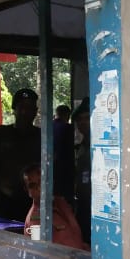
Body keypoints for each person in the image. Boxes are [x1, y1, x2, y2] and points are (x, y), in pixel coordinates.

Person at [0, 87, 41, 221]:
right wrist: (0, 184)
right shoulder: (1, 134)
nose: (25, 112)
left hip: (33, 201)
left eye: (30, 108)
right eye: (21, 107)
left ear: (35, 111)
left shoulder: (41, 136)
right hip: (5, 200)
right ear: (14, 109)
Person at [22, 163, 88, 250]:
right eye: (32, 185)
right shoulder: (34, 219)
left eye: (42, 181)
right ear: (27, 190)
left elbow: (75, 234)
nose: (39, 188)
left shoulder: (61, 203)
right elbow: (42, 252)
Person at [72, 97, 92, 245]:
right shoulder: (82, 146)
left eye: (87, 118)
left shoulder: (98, 145)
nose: (82, 122)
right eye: (79, 119)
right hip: (82, 203)